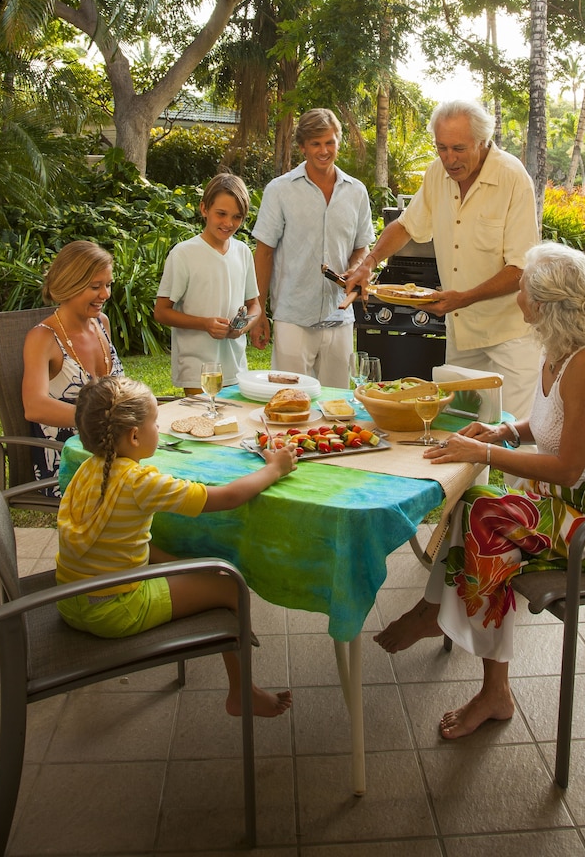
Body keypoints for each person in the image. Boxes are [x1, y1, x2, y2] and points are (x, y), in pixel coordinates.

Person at [373, 241, 585, 739]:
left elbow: (566, 467)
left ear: (545, 303)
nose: (515, 291)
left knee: (487, 520)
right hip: (565, 509)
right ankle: (439, 618)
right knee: (476, 504)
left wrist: (484, 454)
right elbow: (548, 425)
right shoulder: (559, 351)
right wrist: (502, 432)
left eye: (522, 286)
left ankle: (476, 665)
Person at [56, 374, 297, 717]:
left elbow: (120, 541)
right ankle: (243, 691)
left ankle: (238, 665)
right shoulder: (140, 481)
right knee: (230, 585)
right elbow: (228, 497)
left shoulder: (87, 469)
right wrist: (276, 468)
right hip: (114, 610)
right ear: (135, 435)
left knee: (201, 566)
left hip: (71, 600)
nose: (160, 428)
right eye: (156, 422)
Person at [345, 99, 541, 419]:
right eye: (442, 147)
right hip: (462, 332)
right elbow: (407, 225)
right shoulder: (437, 174)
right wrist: (368, 262)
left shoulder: (512, 177)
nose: (449, 159)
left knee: (515, 431)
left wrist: (462, 298)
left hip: (511, 334)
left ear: (482, 141)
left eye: (459, 148)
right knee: (459, 426)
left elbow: (521, 269)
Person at [250, 108, 374, 388]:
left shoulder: (356, 192)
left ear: (338, 143)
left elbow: (362, 248)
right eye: (316, 143)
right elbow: (264, 253)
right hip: (293, 317)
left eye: (330, 142)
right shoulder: (279, 190)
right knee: (290, 403)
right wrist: (258, 313)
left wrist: (355, 269)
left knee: (338, 406)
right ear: (302, 146)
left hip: (339, 318)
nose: (323, 150)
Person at [22, 240, 124, 489]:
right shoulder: (43, 338)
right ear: (69, 285)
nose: (106, 295)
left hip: (115, 447)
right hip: (69, 460)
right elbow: (34, 407)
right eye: (95, 286)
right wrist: (102, 421)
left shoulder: (101, 323)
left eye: (108, 285)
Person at [154, 173, 262, 393]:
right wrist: (205, 324)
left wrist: (241, 328)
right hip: (197, 371)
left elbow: (255, 305)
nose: (228, 223)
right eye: (221, 214)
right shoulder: (183, 254)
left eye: (237, 217)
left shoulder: (243, 252)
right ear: (204, 209)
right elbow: (161, 312)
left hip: (236, 368)